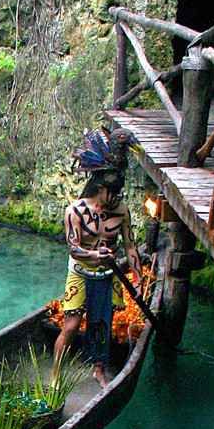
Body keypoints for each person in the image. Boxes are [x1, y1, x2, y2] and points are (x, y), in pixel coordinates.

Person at [54, 128, 142, 388]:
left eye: (118, 193)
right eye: (110, 192)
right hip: (80, 271)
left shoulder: (122, 211)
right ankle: (56, 375)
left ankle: (99, 370)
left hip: (105, 275)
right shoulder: (75, 211)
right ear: (99, 187)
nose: (115, 198)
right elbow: (74, 249)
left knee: (102, 326)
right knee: (71, 325)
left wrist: (136, 277)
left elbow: (130, 246)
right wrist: (95, 253)